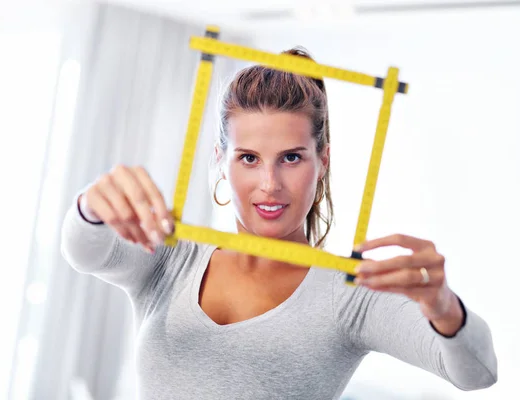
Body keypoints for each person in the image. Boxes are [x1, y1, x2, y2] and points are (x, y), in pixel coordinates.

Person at [60, 48, 497, 399]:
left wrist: (443, 306)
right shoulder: (172, 260)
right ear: (220, 160)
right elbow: (83, 251)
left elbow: (477, 374)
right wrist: (91, 205)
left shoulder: (348, 296)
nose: (270, 184)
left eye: (291, 158)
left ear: (322, 160)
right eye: (248, 158)